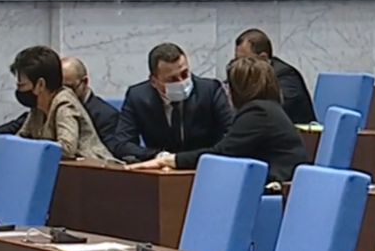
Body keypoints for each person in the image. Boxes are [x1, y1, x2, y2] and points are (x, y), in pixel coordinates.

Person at [127, 57, 308, 182]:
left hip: (278, 189)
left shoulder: (257, 112)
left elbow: (222, 153)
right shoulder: (267, 109)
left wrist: (168, 160)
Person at [113, 43, 234, 162]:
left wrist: (179, 160)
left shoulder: (210, 91)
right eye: (172, 79)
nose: (181, 82)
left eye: (184, 74)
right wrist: (158, 156)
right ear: (154, 81)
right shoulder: (138, 97)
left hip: (202, 165)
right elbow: (122, 144)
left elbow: (230, 137)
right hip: (159, 169)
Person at [0, 57, 120, 153]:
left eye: (67, 87)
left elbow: (68, 149)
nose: (61, 91)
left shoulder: (68, 104)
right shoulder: (40, 106)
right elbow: (21, 134)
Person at [234, 29, 316, 124]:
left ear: (263, 58)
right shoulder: (245, 74)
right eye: (237, 61)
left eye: (245, 61)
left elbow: (271, 111)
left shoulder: (286, 76)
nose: (240, 66)